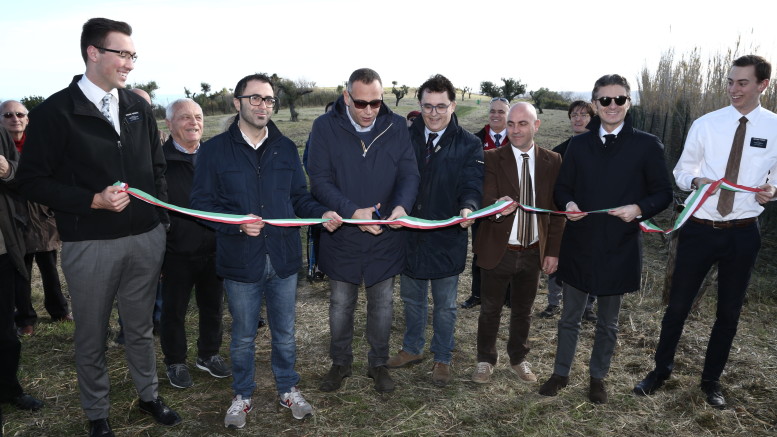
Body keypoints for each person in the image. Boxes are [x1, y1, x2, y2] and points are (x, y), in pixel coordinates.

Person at [16, 18, 180, 436]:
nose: (130, 63)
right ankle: (97, 414)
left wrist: (159, 225)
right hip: (90, 244)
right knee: (91, 334)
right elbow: (30, 181)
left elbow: (157, 169)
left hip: (145, 239)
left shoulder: (137, 106)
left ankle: (149, 396)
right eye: (122, 54)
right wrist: (91, 200)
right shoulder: (54, 113)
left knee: (140, 328)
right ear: (93, 53)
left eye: (133, 55)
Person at [190, 73, 342, 429]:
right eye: (255, 98)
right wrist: (236, 224)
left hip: (283, 258)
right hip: (240, 260)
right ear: (237, 102)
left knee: (285, 332)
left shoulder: (285, 147)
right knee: (243, 334)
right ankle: (242, 394)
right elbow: (201, 205)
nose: (263, 105)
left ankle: (288, 387)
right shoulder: (214, 151)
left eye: (269, 99)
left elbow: (298, 197)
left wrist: (321, 213)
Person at [634, 55, 777, 409]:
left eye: (742, 83)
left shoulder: (774, 128)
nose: (733, 89)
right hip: (699, 229)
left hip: (743, 233)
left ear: (763, 85)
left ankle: (711, 381)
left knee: (728, 313)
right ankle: (660, 371)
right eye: (730, 82)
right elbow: (682, 172)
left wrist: (772, 190)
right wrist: (697, 181)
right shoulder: (706, 124)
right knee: (677, 306)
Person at [538, 74, 672, 404]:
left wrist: (638, 208)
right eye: (605, 100)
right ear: (595, 104)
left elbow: (663, 193)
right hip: (580, 242)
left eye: (619, 99)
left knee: (608, 322)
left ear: (629, 103)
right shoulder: (579, 144)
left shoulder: (647, 145)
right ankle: (560, 373)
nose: (612, 106)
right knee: (569, 317)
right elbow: (562, 188)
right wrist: (569, 204)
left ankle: (598, 378)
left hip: (619, 244)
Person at [308, 68, 419, 394]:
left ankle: (378, 364)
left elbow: (409, 174)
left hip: (384, 234)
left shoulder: (396, 127)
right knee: (341, 304)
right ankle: (340, 363)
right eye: (361, 103)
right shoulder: (324, 127)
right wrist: (351, 211)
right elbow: (319, 179)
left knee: (382, 304)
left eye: (376, 103)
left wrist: (402, 206)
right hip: (342, 233)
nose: (369, 110)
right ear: (346, 97)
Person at [386, 74, 482, 386]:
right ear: (420, 105)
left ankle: (443, 356)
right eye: (428, 106)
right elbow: (393, 179)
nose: (434, 113)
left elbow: (472, 184)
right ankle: (412, 348)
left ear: (453, 106)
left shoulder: (469, 144)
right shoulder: (404, 138)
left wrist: (468, 207)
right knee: (412, 299)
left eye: (441, 106)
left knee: (445, 306)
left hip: (446, 238)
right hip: (409, 235)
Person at [470, 102, 565, 384]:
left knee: (523, 311)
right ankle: (485, 360)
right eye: (511, 124)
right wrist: (496, 207)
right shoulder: (491, 158)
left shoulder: (553, 161)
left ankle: (519, 358)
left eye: (523, 124)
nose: (515, 130)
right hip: (499, 250)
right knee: (490, 309)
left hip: (533, 251)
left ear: (536, 126)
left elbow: (557, 211)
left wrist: (552, 251)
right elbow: (484, 198)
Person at [159, 99, 230, 390]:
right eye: (185, 117)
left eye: (198, 117)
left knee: (213, 306)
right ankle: (175, 361)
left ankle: (208, 354)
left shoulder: (215, 156)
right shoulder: (158, 161)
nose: (194, 123)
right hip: (176, 251)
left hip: (215, 247)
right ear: (169, 124)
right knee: (173, 310)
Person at [1, 101, 70, 336]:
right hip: (14, 219)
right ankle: (25, 318)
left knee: (50, 267)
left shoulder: (39, 144)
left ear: (27, 119)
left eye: (20, 114)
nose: (15, 119)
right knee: (21, 271)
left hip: (42, 216)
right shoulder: (3, 149)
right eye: (8, 115)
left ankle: (59, 310)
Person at [539, 100, 597, 321]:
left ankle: (588, 306)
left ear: (592, 118)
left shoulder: (601, 151)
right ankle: (554, 302)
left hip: (592, 216)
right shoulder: (559, 152)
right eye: (574, 115)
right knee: (558, 254)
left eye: (583, 115)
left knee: (590, 260)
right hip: (563, 214)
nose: (578, 119)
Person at [1, 125, 44, 421]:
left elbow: (23, 177)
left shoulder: (0, 134)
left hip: (2, 250)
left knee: (5, 332)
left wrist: (8, 170)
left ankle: (8, 388)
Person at [461, 97, 511, 309]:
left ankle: (508, 295)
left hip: (509, 206)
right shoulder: (475, 140)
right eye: (492, 111)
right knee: (480, 250)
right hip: (482, 204)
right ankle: (477, 293)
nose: (496, 115)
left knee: (509, 250)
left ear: (508, 115)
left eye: (501, 111)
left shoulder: (516, 139)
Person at [302, 101, 335, 283]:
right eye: (328, 113)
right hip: (321, 193)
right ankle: (318, 266)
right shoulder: (315, 135)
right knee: (319, 230)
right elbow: (308, 160)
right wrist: (320, 179)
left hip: (342, 194)